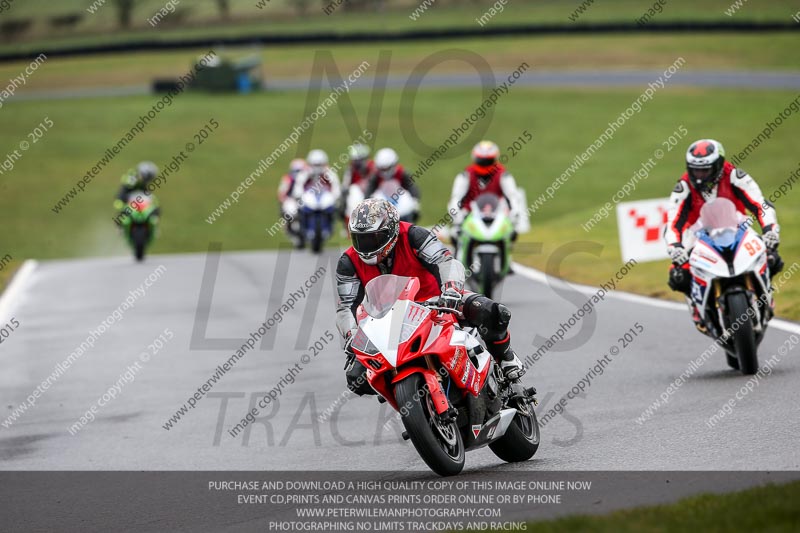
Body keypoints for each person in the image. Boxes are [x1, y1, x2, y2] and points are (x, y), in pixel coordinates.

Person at [335, 198, 524, 396]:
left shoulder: (414, 235)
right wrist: (351, 334)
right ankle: (411, 398)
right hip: (389, 322)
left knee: (490, 311)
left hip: (438, 303)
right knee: (356, 377)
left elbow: (445, 261)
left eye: (373, 238)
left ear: (391, 230)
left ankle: (507, 360)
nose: (366, 247)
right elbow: (346, 306)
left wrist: (451, 289)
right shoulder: (348, 262)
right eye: (359, 239)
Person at [664, 139, 783, 321]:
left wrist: (770, 230)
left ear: (718, 166)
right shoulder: (683, 187)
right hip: (698, 233)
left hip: (736, 226)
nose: (699, 176)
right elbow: (672, 222)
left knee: (772, 257)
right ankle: (698, 307)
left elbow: (761, 205)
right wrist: (675, 247)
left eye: (705, 170)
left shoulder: (735, 176)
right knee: (678, 276)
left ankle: (765, 295)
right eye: (695, 170)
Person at [447, 141, 524, 246]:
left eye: (488, 161)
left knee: (510, 236)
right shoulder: (465, 175)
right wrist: (457, 218)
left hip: (496, 216)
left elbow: (512, 197)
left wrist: (514, 216)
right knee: (455, 235)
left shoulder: (503, 175)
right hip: (470, 217)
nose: (484, 164)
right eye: (481, 160)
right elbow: (456, 198)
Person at [291, 149, 341, 248]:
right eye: (315, 164)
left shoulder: (330, 173)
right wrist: (299, 195)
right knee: (295, 210)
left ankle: (330, 225)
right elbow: (298, 186)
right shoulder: (304, 173)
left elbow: (336, 186)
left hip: (325, 198)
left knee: (336, 209)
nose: (317, 167)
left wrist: (335, 196)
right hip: (309, 198)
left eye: (319, 164)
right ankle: (301, 229)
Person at [364, 148, 420, 221]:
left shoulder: (401, 173)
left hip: (401, 202)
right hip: (384, 205)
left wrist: (415, 203)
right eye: (382, 169)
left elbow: (412, 188)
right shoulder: (375, 176)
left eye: (387, 168)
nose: (385, 172)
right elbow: (369, 192)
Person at [341, 143, 374, 229]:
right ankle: (349, 227)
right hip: (356, 196)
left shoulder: (373, 167)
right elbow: (345, 186)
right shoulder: (351, 169)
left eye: (360, 160)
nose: (358, 163)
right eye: (355, 160)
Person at [277, 158, 308, 247]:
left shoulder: (308, 178)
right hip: (291, 200)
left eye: (301, 171)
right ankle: (292, 231)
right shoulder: (288, 179)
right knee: (289, 213)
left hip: (305, 200)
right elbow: (281, 193)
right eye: (297, 171)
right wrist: (284, 201)